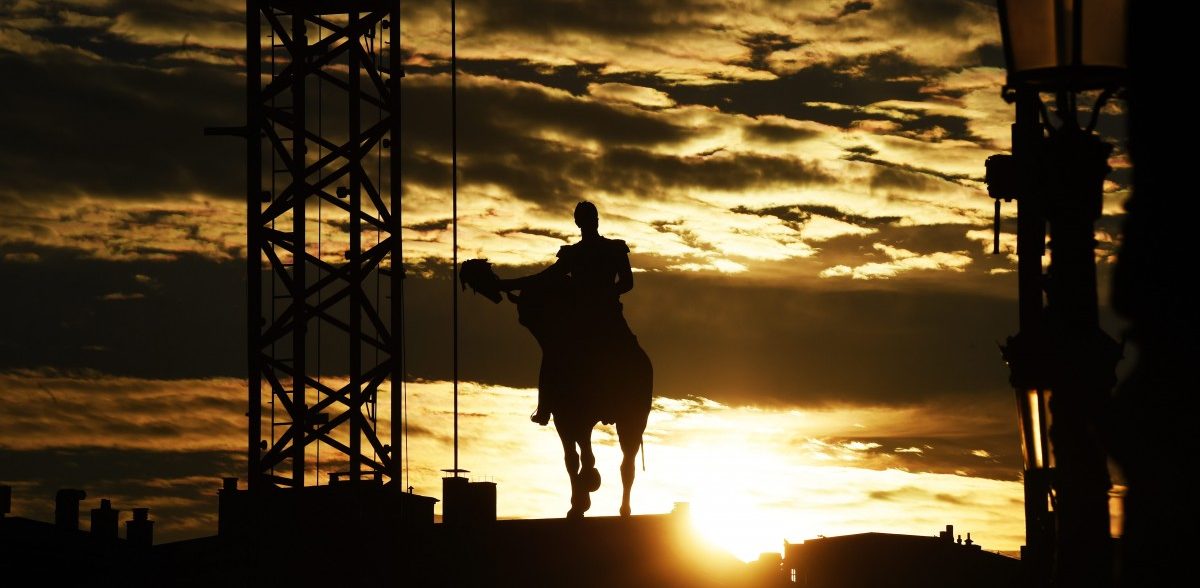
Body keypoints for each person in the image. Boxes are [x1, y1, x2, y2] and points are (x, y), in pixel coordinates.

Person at [499, 201, 635, 425]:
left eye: (592, 219)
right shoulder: (573, 254)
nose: (590, 223)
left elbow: (628, 282)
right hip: (579, 318)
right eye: (586, 220)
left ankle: (621, 400)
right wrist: (506, 285)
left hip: (608, 315)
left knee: (625, 352)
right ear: (579, 223)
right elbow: (544, 278)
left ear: (596, 221)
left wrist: (604, 293)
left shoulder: (615, 248)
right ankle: (545, 407)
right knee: (553, 353)